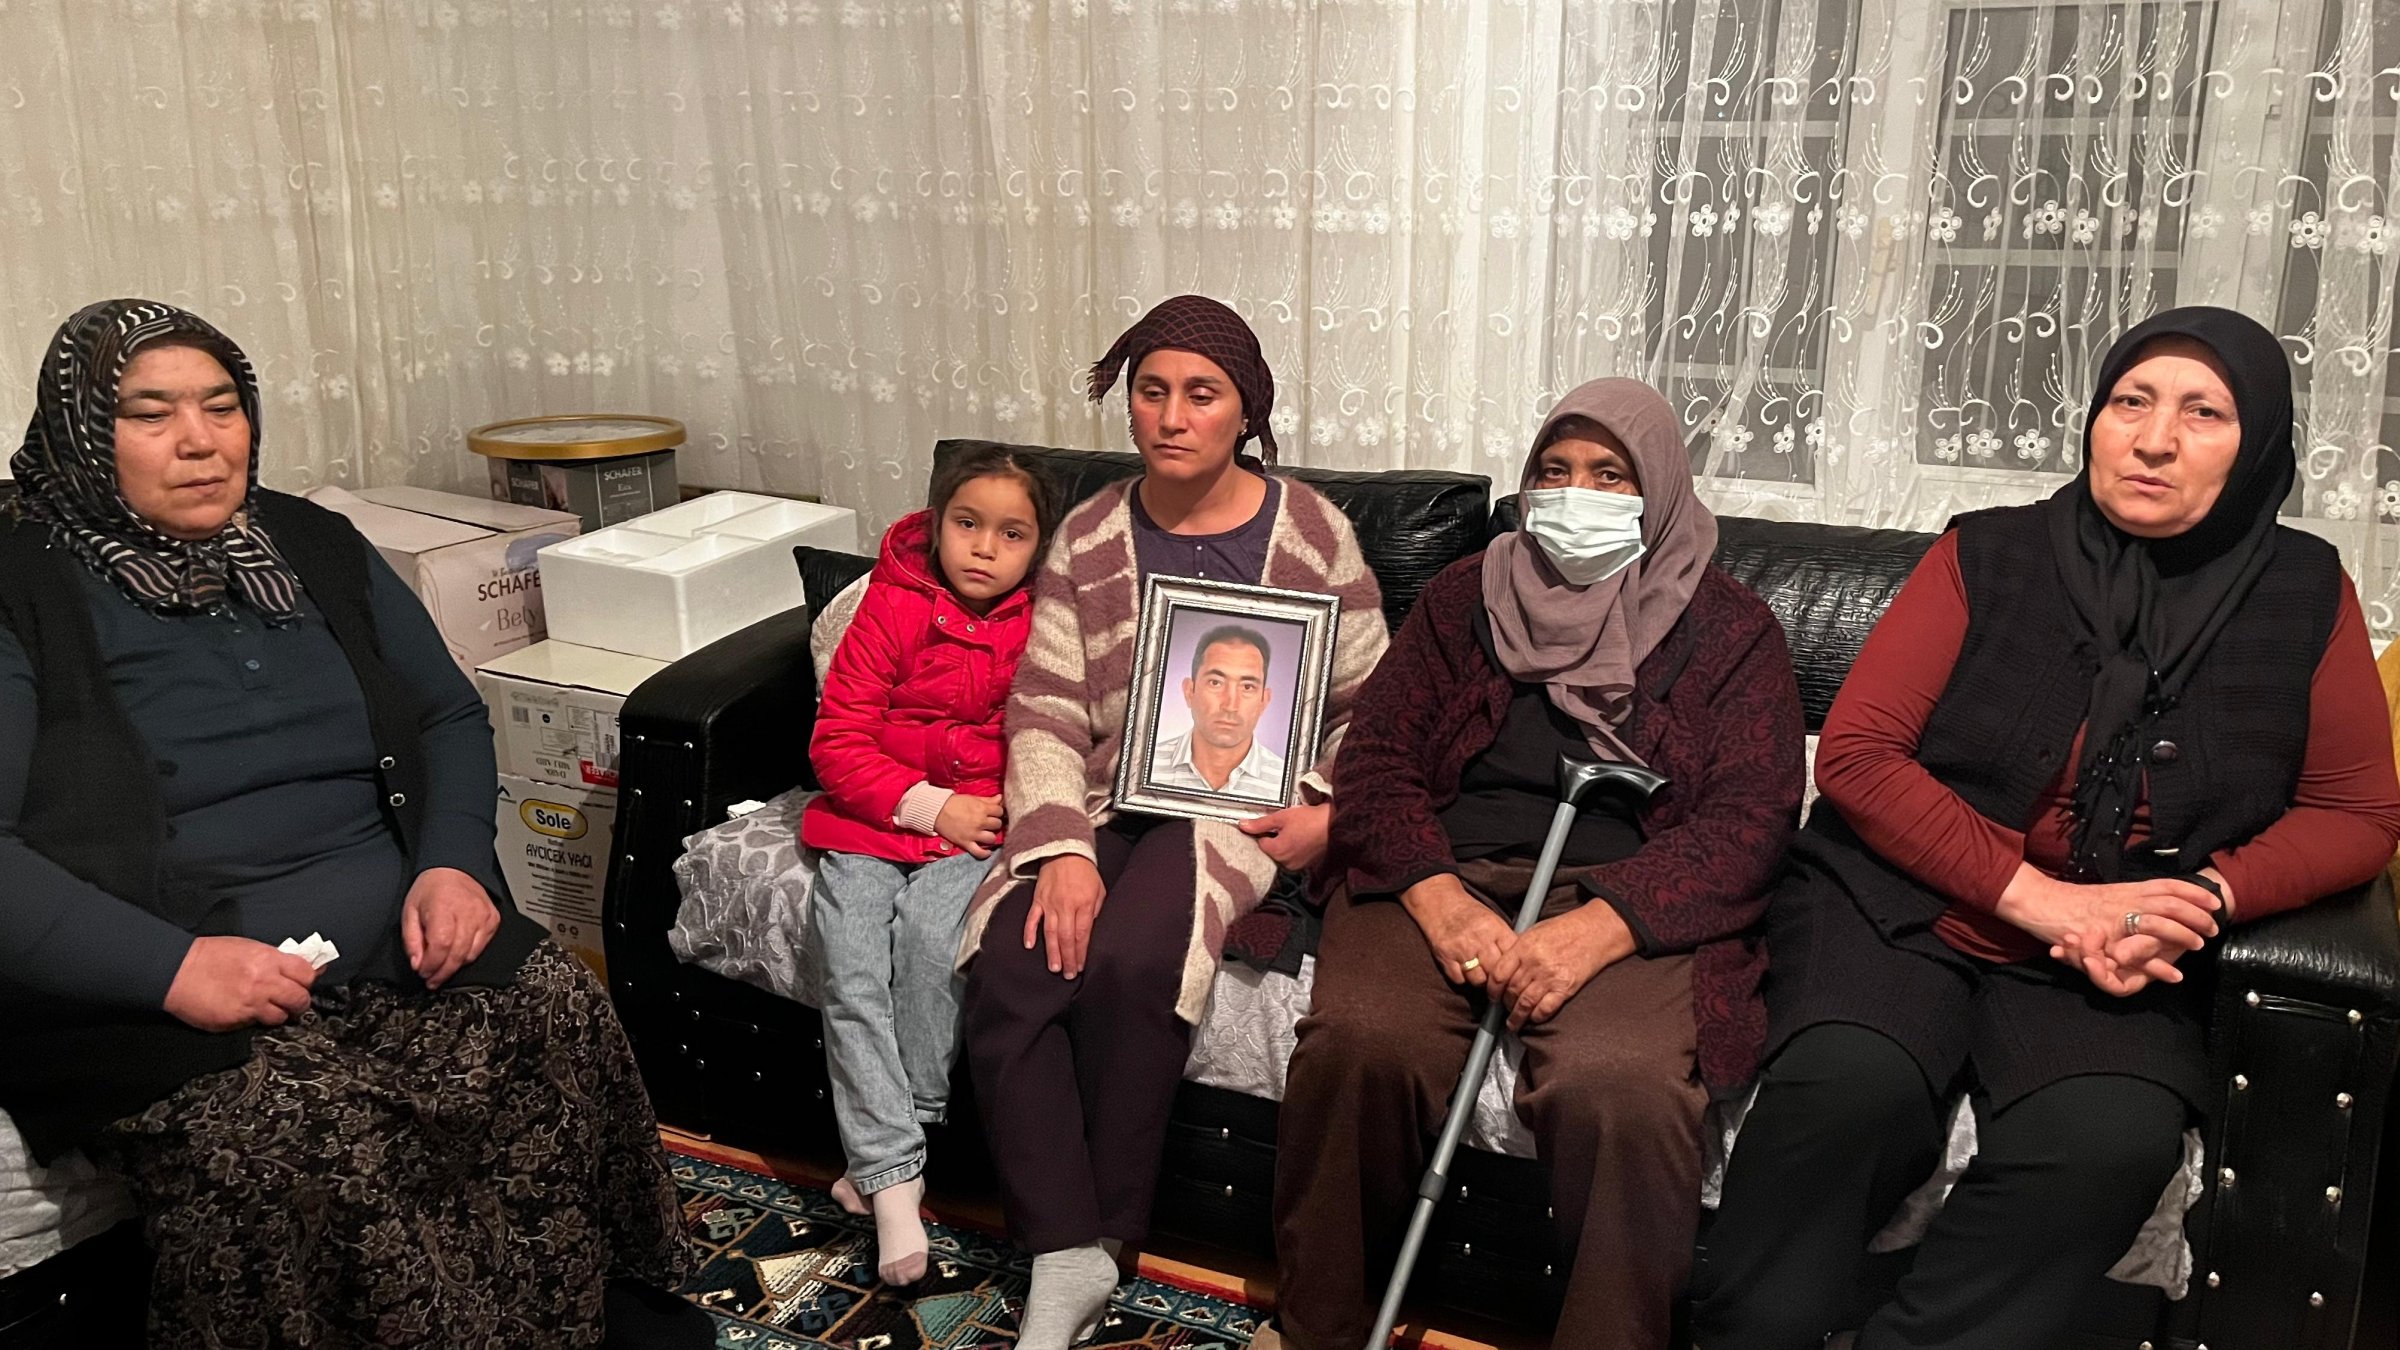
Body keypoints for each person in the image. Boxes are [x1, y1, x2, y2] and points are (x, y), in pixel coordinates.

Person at [1691, 307, 2400, 1349]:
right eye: (2130, 402)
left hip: (2119, 953)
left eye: (2203, 413)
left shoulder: (2306, 595)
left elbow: (2357, 815)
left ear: (2259, 448)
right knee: (1847, 1092)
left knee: (2108, 1141)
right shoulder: (1989, 553)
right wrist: (2043, 900)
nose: (2153, 438)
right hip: (1903, 908)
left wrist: (2205, 900)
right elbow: (1858, 757)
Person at [0, 299, 695, 1345]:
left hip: (396, 928)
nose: (200, 439)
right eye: (151, 415)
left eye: (222, 406)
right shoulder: (23, 588)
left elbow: (448, 713)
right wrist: (172, 971)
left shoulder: (311, 540)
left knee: (554, 1009)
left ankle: (566, 1318)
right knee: (299, 1134)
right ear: (81, 436)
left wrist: (455, 866)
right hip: (170, 983)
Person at [1259, 378, 1806, 1350]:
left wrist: (1598, 929)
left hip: (1628, 891)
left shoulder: (1731, 629)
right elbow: (1379, 759)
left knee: (1622, 1084)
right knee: (1360, 1041)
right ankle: (1318, 1328)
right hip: (1446, 866)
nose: (1574, 493)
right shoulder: (1466, 593)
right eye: (1554, 471)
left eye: (1607, 474)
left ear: (1661, 487)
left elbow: (1753, 819)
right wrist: (1439, 902)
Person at [956, 295, 1389, 1350]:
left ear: (1246, 411)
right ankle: (1067, 1248)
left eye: (1202, 395)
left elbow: (1375, 706)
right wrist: (1058, 849)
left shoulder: (1313, 533)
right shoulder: (1092, 534)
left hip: (1242, 809)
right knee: (1013, 964)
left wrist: (1326, 807)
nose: (1172, 415)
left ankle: (1110, 1239)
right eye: (1152, 390)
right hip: (1109, 795)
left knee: (1141, 959)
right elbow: (1048, 708)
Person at [800, 444, 1058, 1286]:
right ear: (938, 523)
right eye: (967, 525)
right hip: (868, 819)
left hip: (976, 831)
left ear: (1037, 545)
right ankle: (895, 1177)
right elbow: (836, 740)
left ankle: (885, 1167)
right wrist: (923, 802)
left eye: (1011, 533)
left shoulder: (1045, 623)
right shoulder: (892, 602)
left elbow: (1052, 739)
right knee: (849, 970)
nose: (984, 548)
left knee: (928, 948)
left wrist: (990, 813)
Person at [1148, 622, 1288, 798]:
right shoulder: (1142, 769)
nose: (1230, 705)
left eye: (1247, 687)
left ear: (1264, 701)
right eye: (1215, 683)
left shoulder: (1287, 786)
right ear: (1189, 691)